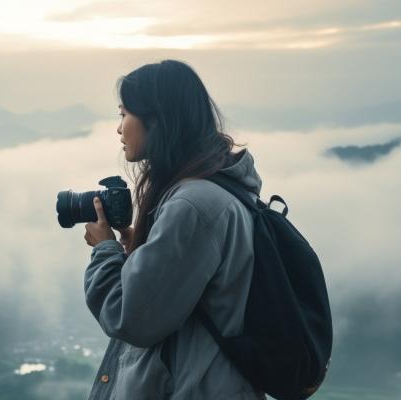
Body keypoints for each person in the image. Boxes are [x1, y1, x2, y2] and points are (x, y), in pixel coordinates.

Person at [82, 60, 267, 400]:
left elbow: (132, 318)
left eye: (124, 114)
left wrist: (105, 250)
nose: (119, 128)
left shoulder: (192, 206)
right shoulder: (212, 190)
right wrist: (140, 255)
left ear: (157, 119)